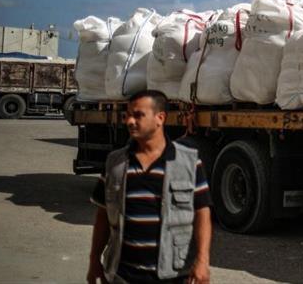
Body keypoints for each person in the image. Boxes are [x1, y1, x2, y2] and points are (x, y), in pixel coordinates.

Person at [87, 90, 212, 284]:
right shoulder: (115, 162)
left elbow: (202, 213)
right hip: (123, 275)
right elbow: (103, 215)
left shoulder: (188, 162)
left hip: (173, 275)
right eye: (128, 115)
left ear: (160, 118)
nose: (130, 121)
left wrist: (202, 260)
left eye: (138, 115)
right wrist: (94, 260)